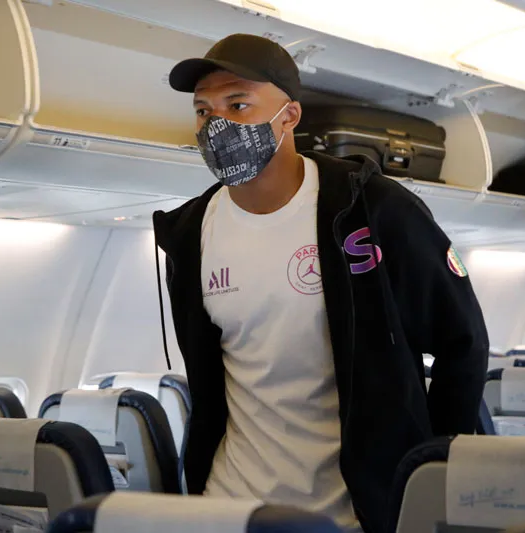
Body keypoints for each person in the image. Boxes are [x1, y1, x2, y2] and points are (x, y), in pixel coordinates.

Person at [152, 33, 489, 533]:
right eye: (203, 111)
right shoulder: (190, 234)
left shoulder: (372, 210)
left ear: (289, 116)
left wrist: (433, 473)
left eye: (238, 105)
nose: (216, 124)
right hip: (232, 506)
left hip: (355, 512)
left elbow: (463, 342)